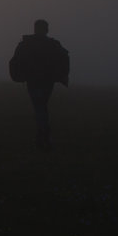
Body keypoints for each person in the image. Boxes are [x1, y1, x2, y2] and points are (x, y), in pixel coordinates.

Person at [8, 19, 70, 151]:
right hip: (47, 81)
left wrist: (20, 75)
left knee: (39, 106)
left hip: (33, 81)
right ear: (46, 29)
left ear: (35, 29)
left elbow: (15, 61)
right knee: (41, 106)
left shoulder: (27, 44)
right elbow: (64, 59)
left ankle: (43, 135)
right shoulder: (53, 45)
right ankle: (43, 136)